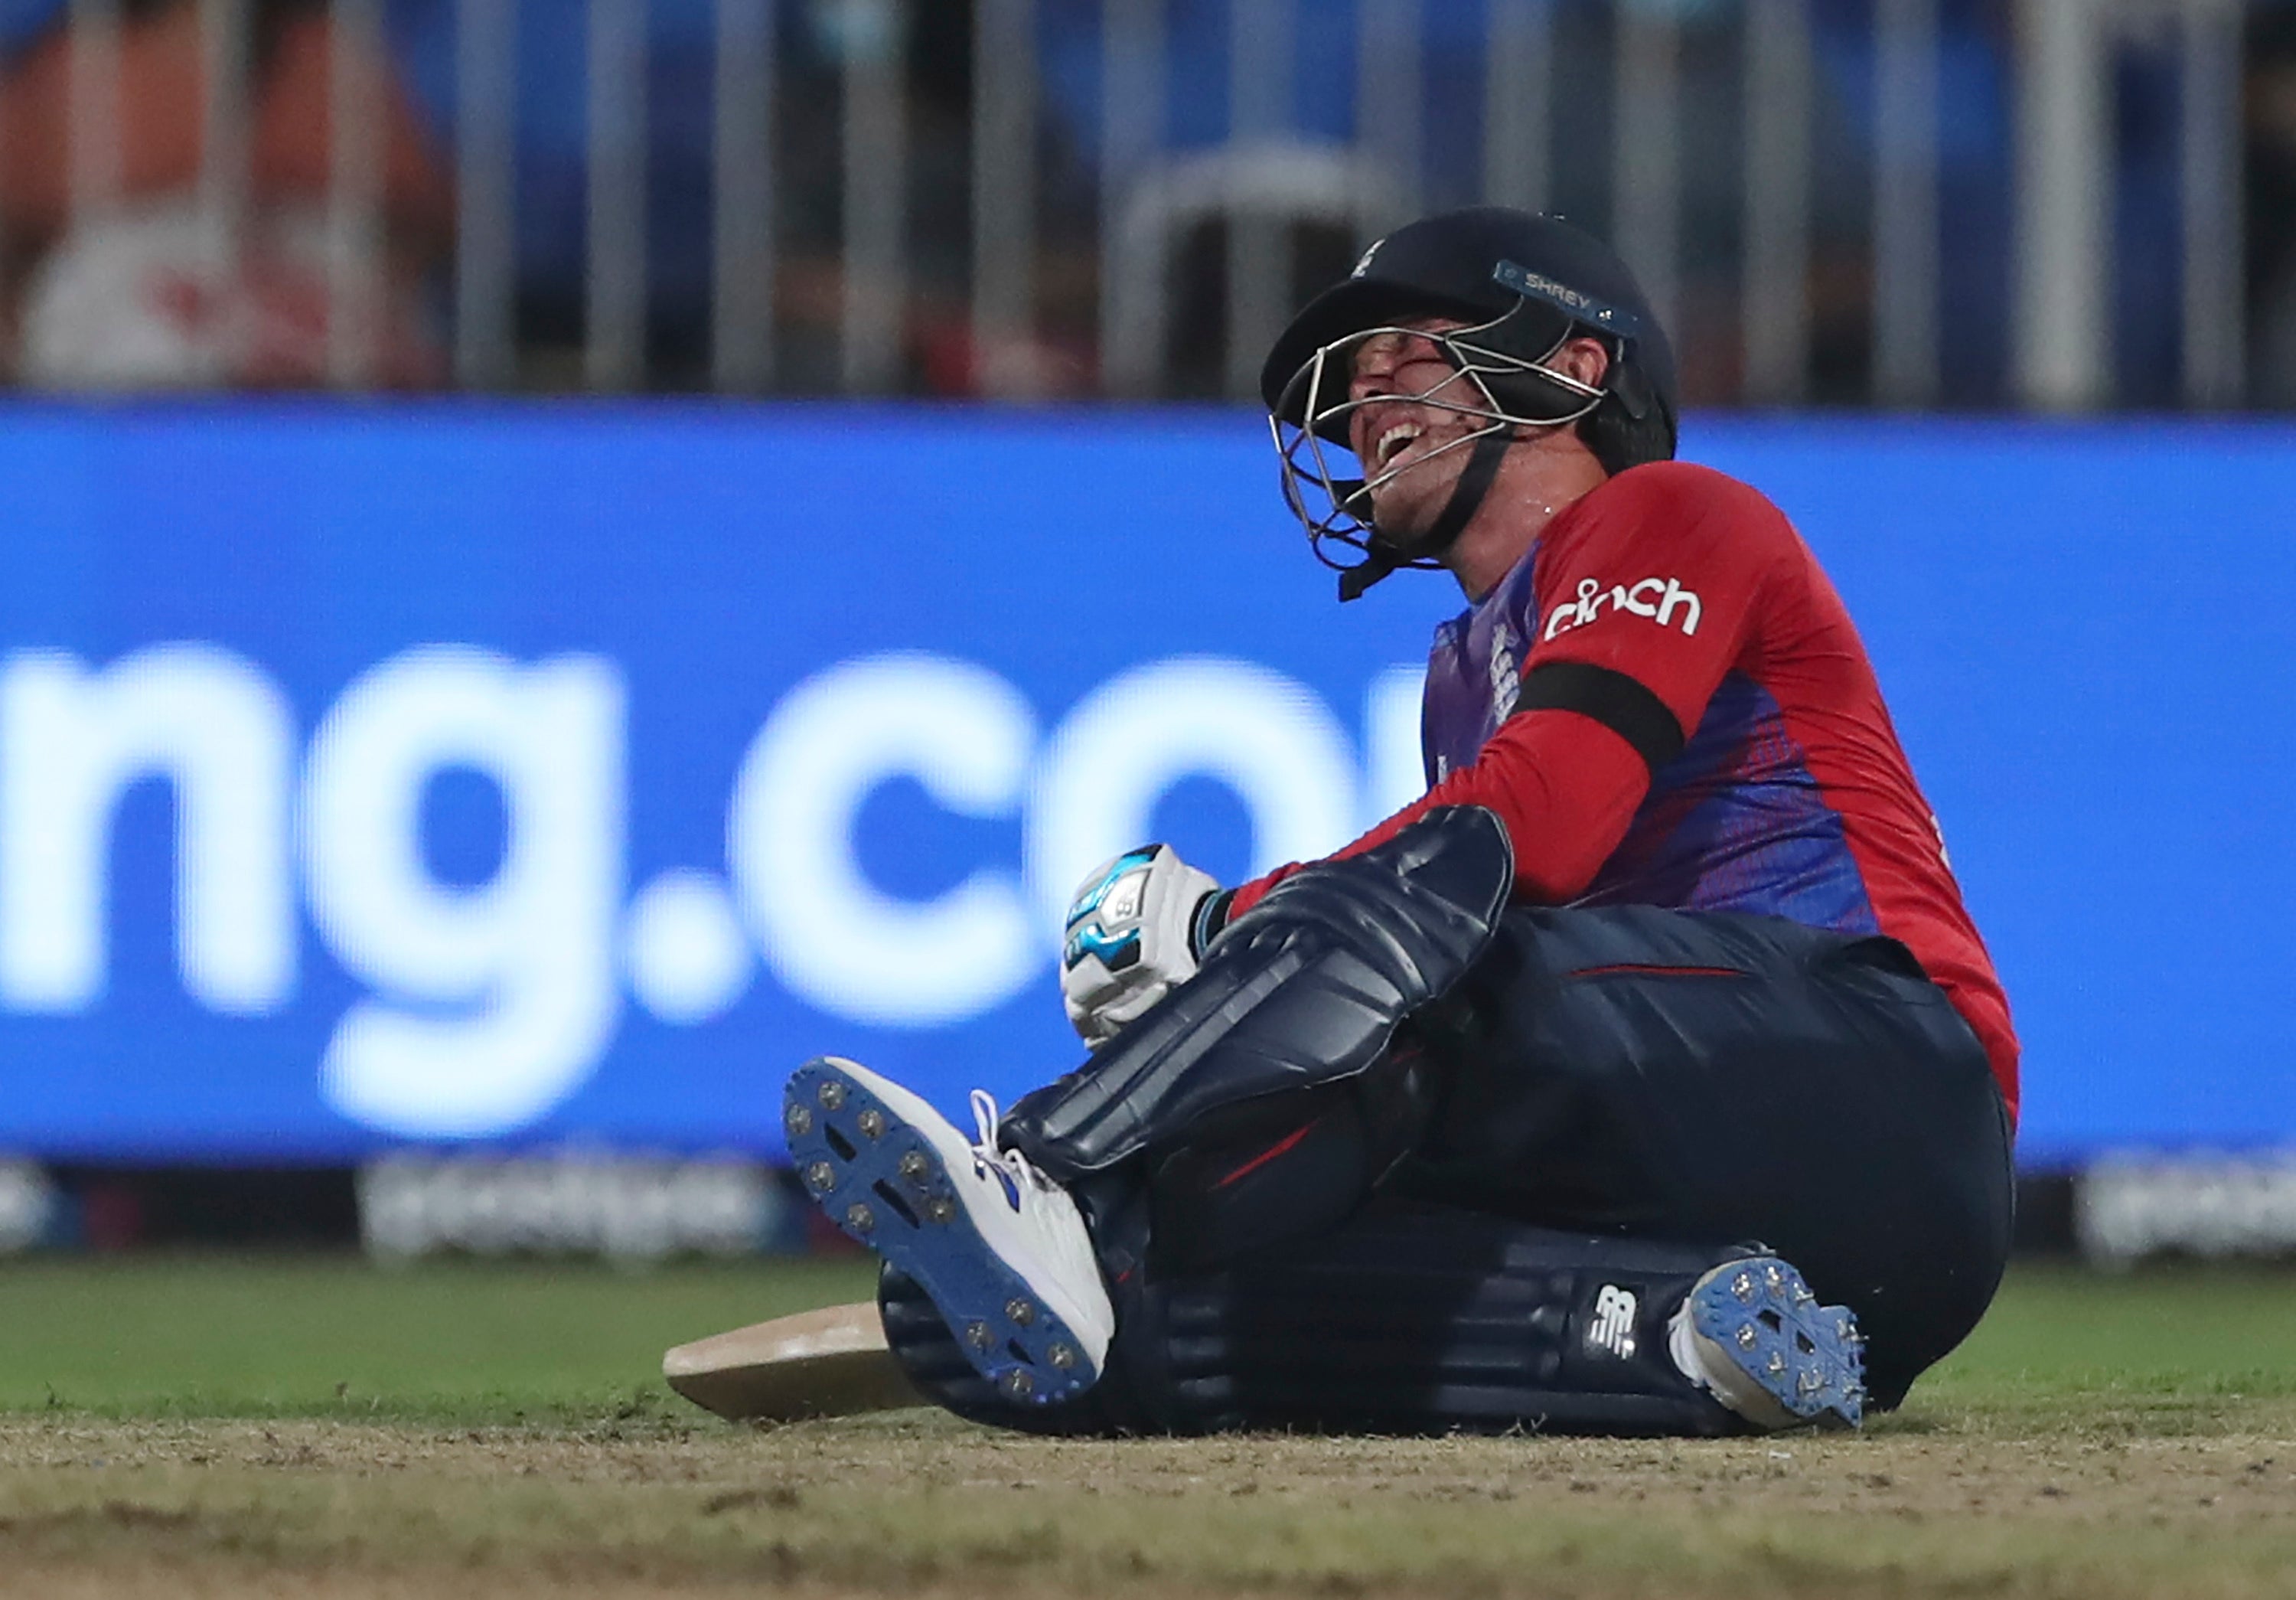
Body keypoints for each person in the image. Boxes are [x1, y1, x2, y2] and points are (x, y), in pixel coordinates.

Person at [785, 207, 2017, 1438]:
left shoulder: (1678, 511)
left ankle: (1058, 1183)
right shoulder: (1460, 676)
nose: (1365, 396)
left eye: (1408, 350)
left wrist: (1226, 922)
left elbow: (1547, 824)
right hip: (1800, 1243)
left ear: (1575, 369)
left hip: (1886, 1085)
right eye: (1351, 383)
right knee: (1136, 1338)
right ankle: (1681, 1339)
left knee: (1422, 922)